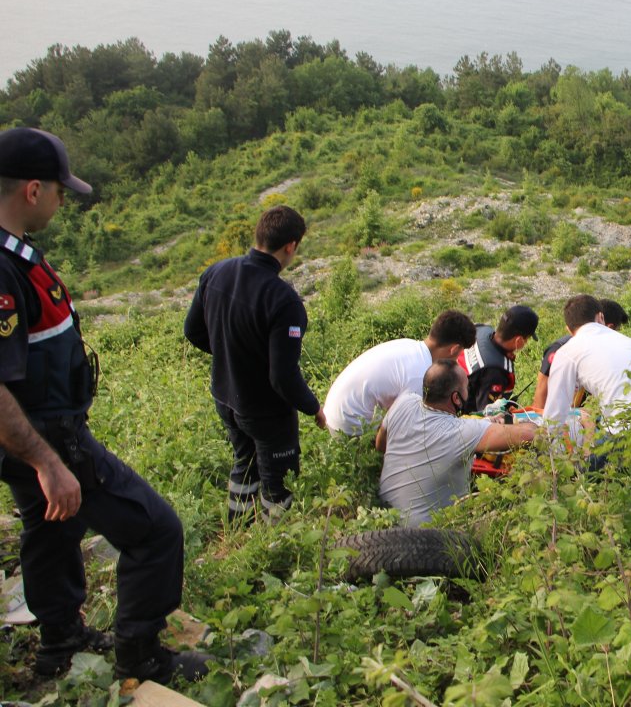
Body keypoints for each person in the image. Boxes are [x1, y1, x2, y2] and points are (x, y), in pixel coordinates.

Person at [0, 127, 210, 682]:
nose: (63, 200)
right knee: (155, 528)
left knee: (50, 528)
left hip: (34, 435)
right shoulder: (0, 269)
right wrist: (49, 464)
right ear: (31, 190)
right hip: (47, 438)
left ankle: (59, 643)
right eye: (59, 190)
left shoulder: (13, 256)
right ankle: (139, 655)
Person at [184, 205, 326, 523]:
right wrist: (313, 406)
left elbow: (192, 331)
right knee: (279, 485)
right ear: (290, 246)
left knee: (244, 463)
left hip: (225, 397)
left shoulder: (216, 272)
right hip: (265, 410)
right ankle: (275, 547)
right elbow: (282, 377)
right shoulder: (283, 301)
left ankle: (239, 529)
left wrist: (231, 356)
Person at [377, 360, 537, 527]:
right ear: (456, 398)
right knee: (508, 515)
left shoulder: (404, 402)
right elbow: (528, 434)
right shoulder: (463, 431)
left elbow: (381, 445)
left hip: (383, 520)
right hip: (430, 537)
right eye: (466, 388)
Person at [543, 295, 631, 465]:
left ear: (568, 329)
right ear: (601, 317)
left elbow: (554, 416)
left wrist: (552, 459)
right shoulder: (627, 340)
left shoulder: (567, 352)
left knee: (583, 474)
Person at [323, 310, 477, 437]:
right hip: (347, 427)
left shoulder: (409, 346)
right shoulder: (419, 374)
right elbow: (406, 424)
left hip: (332, 411)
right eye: (460, 353)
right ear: (454, 349)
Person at [531, 298, 628, 412]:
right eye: (618, 330)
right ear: (608, 326)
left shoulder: (605, 353)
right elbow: (542, 392)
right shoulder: (561, 348)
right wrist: (540, 424)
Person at [457, 305, 539, 413]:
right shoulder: (496, 372)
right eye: (527, 339)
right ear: (518, 340)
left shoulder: (480, 329)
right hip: (463, 418)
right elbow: (487, 415)